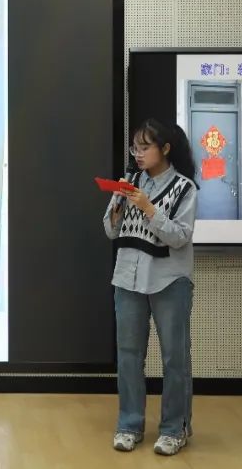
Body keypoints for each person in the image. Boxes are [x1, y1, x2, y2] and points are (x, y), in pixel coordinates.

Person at [103, 119, 199, 456]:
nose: (138, 154)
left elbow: (180, 236)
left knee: (175, 358)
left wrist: (147, 208)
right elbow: (111, 231)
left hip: (169, 279)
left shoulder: (185, 188)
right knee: (129, 356)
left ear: (165, 149)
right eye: (135, 148)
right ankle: (129, 425)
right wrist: (117, 204)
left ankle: (174, 429)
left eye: (145, 147)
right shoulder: (129, 182)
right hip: (127, 277)